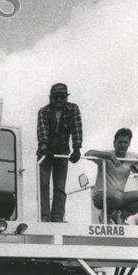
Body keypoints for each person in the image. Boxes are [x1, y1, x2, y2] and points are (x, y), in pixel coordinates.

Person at [85, 128, 138, 224]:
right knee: (117, 196)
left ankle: (121, 215)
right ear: (114, 143)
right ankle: (106, 214)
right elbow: (88, 153)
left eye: (126, 142)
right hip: (100, 196)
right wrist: (110, 157)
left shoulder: (131, 156)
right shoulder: (107, 154)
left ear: (129, 144)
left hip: (119, 197)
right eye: (120, 142)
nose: (123, 145)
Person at [36, 82, 83, 222]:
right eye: (56, 97)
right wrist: (44, 147)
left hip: (62, 153)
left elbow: (77, 128)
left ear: (66, 97)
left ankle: (57, 218)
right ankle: (44, 217)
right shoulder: (43, 111)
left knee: (60, 186)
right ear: (51, 97)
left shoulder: (73, 109)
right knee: (43, 185)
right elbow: (42, 130)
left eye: (62, 97)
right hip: (45, 154)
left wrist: (76, 149)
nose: (59, 100)